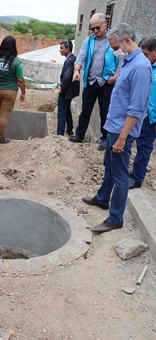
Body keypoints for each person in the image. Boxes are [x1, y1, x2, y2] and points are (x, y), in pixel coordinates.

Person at [82, 23, 152, 234]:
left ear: (127, 41)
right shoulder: (129, 62)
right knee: (110, 167)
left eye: (115, 47)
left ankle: (115, 218)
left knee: (121, 175)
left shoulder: (140, 66)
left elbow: (137, 108)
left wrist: (122, 138)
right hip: (114, 127)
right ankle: (103, 198)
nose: (115, 51)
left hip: (123, 131)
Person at [70, 13, 120, 151]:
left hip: (106, 83)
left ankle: (105, 139)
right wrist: (76, 70)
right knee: (85, 111)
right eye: (93, 29)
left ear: (105, 23)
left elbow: (121, 61)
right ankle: (79, 135)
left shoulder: (114, 39)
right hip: (90, 82)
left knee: (105, 113)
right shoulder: (88, 40)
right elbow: (80, 57)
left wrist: (115, 77)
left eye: (97, 28)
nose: (95, 31)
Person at [0, 35, 26, 144]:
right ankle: (0, 138)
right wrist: (23, 92)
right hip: (10, 91)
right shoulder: (17, 62)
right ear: (14, 47)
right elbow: (20, 80)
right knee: (4, 115)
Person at [129, 37, 156, 189]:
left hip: (152, 117)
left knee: (144, 146)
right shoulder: (145, 66)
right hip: (141, 113)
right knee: (139, 144)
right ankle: (137, 171)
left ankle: (137, 178)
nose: (144, 59)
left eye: (146, 55)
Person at [56, 40, 80, 136]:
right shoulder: (71, 58)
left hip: (66, 91)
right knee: (66, 110)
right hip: (69, 91)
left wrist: (61, 89)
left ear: (67, 49)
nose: (60, 50)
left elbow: (67, 76)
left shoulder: (70, 60)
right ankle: (69, 129)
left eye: (62, 48)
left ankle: (59, 135)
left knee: (61, 112)